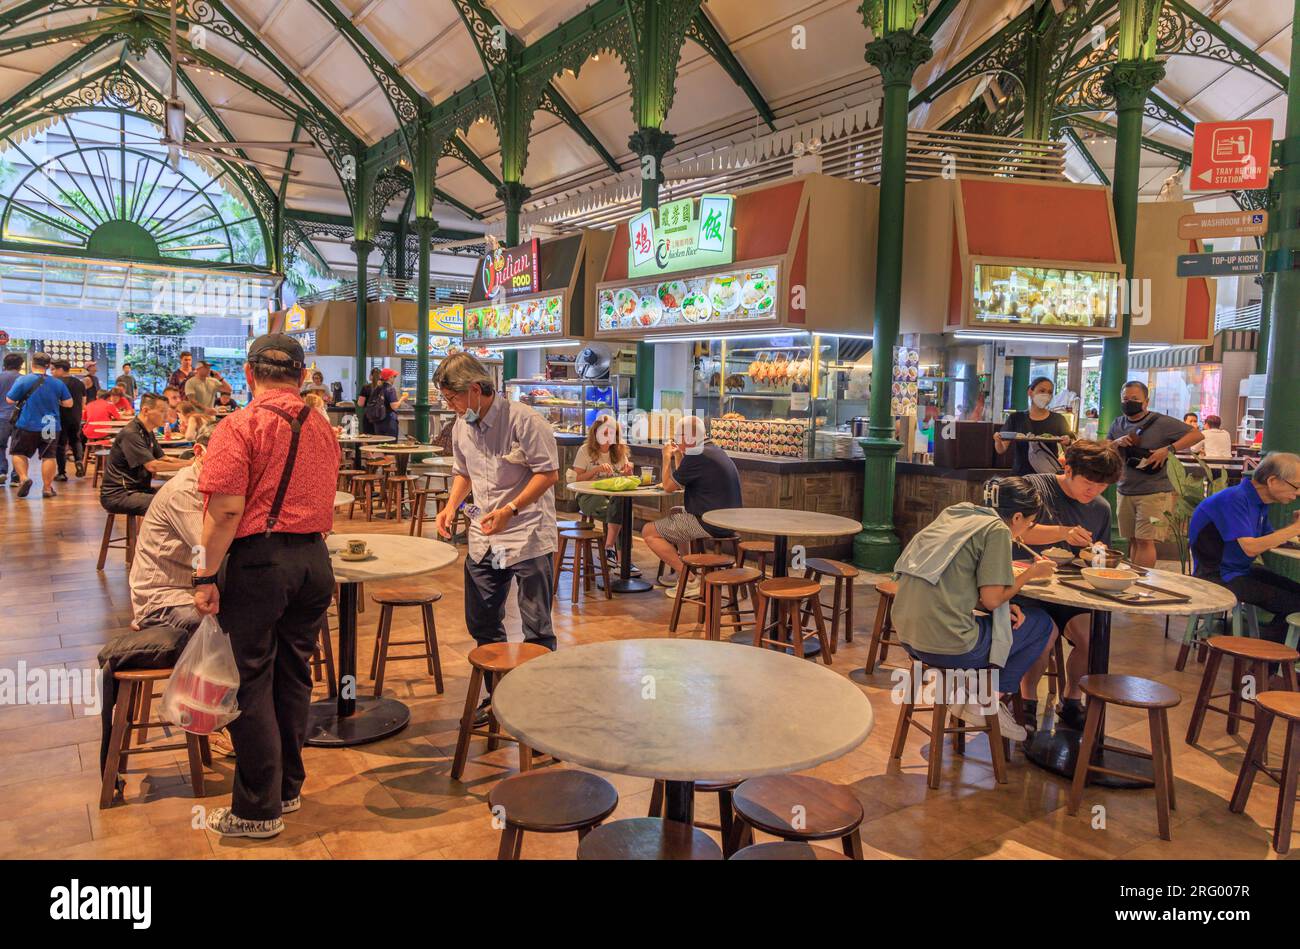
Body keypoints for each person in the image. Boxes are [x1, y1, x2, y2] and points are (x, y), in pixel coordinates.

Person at [192, 333, 339, 839]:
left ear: (250, 374)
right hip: (314, 563)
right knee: (294, 673)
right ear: (301, 377)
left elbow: (227, 509)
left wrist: (204, 574)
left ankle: (257, 810)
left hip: (261, 562)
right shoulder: (324, 427)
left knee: (248, 680)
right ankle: (288, 788)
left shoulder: (239, 425)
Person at [434, 352, 559, 725]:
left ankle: (535, 708)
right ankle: (498, 698)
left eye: (453, 399)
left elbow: (548, 473)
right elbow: (463, 473)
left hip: (527, 535)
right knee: (483, 622)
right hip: (484, 537)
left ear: (475, 390)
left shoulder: (525, 421)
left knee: (537, 626)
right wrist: (451, 506)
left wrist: (511, 510)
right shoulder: (461, 426)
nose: (450, 407)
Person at [892, 476, 1059, 742]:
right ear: (1017, 517)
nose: (1026, 530)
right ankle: (989, 698)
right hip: (948, 645)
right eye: (1029, 523)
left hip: (907, 635)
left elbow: (954, 583)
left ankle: (974, 692)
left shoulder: (956, 514)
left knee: (1010, 619)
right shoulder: (997, 530)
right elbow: (992, 600)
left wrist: (1005, 603)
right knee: (1042, 625)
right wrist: (1031, 573)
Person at [1017, 439, 1124, 730]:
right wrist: (1063, 532)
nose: (1094, 491)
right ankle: (1026, 702)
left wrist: (1096, 553)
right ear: (1067, 467)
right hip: (1025, 587)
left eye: (1102, 486)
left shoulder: (1100, 508)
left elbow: (1094, 558)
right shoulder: (1034, 488)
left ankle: (1072, 700)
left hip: (1069, 591)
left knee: (1093, 637)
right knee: (1043, 634)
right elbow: (1016, 532)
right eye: (1088, 482)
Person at [1190, 452, 1300, 643]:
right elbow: (1250, 548)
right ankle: (1266, 661)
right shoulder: (1235, 499)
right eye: (1296, 486)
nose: (1297, 493)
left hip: (1239, 571)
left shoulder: (1258, 503)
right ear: (1272, 481)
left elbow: (1269, 539)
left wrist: (1293, 532)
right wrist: (1294, 529)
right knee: (1294, 603)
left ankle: (1271, 654)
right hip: (1216, 576)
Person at [642, 414, 743, 597]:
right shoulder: (711, 450)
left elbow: (668, 486)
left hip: (711, 523)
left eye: (678, 437)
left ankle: (689, 578)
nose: (676, 440)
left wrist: (666, 459)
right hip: (726, 520)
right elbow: (683, 479)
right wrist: (680, 455)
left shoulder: (697, 454)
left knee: (648, 532)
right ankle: (686, 571)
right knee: (677, 512)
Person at [1106, 380, 1204, 568]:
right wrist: (1116, 442)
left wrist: (1168, 449)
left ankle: (1142, 581)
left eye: (1135, 398)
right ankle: (1134, 578)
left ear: (1146, 401)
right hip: (1125, 489)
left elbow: (1197, 435)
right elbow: (1104, 446)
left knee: (1145, 540)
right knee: (1133, 539)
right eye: (1125, 398)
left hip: (1154, 491)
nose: (1129, 402)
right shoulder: (1118, 423)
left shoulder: (1162, 422)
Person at [99, 393, 189, 516]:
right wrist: (189, 465)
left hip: (139, 490)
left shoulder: (148, 431)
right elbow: (153, 466)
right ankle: (150, 535)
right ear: (146, 411)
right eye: (162, 411)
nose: (167, 416)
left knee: (181, 497)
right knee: (171, 504)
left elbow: (164, 458)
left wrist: (192, 463)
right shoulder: (131, 433)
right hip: (120, 494)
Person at [570, 414, 638, 574]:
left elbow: (623, 481)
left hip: (613, 496)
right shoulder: (585, 451)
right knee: (623, 514)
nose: (609, 437)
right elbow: (576, 479)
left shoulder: (620, 452)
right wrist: (596, 470)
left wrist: (627, 474)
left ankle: (610, 550)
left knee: (623, 507)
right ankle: (623, 561)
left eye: (612, 433)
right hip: (589, 496)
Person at [5, 352, 72, 499]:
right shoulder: (57, 383)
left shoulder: (23, 380)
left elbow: (9, 400)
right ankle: (47, 488)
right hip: (50, 424)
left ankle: (23, 478)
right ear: (48, 366)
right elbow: (69, 403)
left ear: (32, 363)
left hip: (26, 423)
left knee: (19, 453)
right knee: (49, 456)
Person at [994, 376, 1073, 475]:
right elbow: (1001, 449)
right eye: (1042, 391)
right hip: (1021, 476)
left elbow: (1069, 453)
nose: (1046, 395)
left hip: (1048, 476)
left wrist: (1068, 442)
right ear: (1030, 392)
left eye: (1049, 392)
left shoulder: (1058, 419)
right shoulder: (1016, 418)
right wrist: (997, 440)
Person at [50, 359, 87, 481]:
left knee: (60, 444)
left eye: (53, 369)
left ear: (61, 369)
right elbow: (83, 403)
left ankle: (61, 473)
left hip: (59, 417)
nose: (52, 372)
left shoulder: (54, 383)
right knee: (75, 440)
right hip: (75, 417)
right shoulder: (79, 383)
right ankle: (78, 460)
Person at [359, 367, 404, 438]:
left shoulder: (377, 388)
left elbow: (361, 403)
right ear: (390, 377)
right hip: (389, 421)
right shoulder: (390, 389)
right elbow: (394, 406)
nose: (394, 379)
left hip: (376, 420)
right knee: (390, 444)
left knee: (379, 444)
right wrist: (402, 399)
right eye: (394, 377)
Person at [0, 352, 24, 485]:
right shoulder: (24, 379)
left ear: (5, 365)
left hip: (1, 417)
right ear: (20, 365)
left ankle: (1, 471)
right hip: (20, 417)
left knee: (0, 446)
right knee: (18, 448)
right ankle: (16, 477)